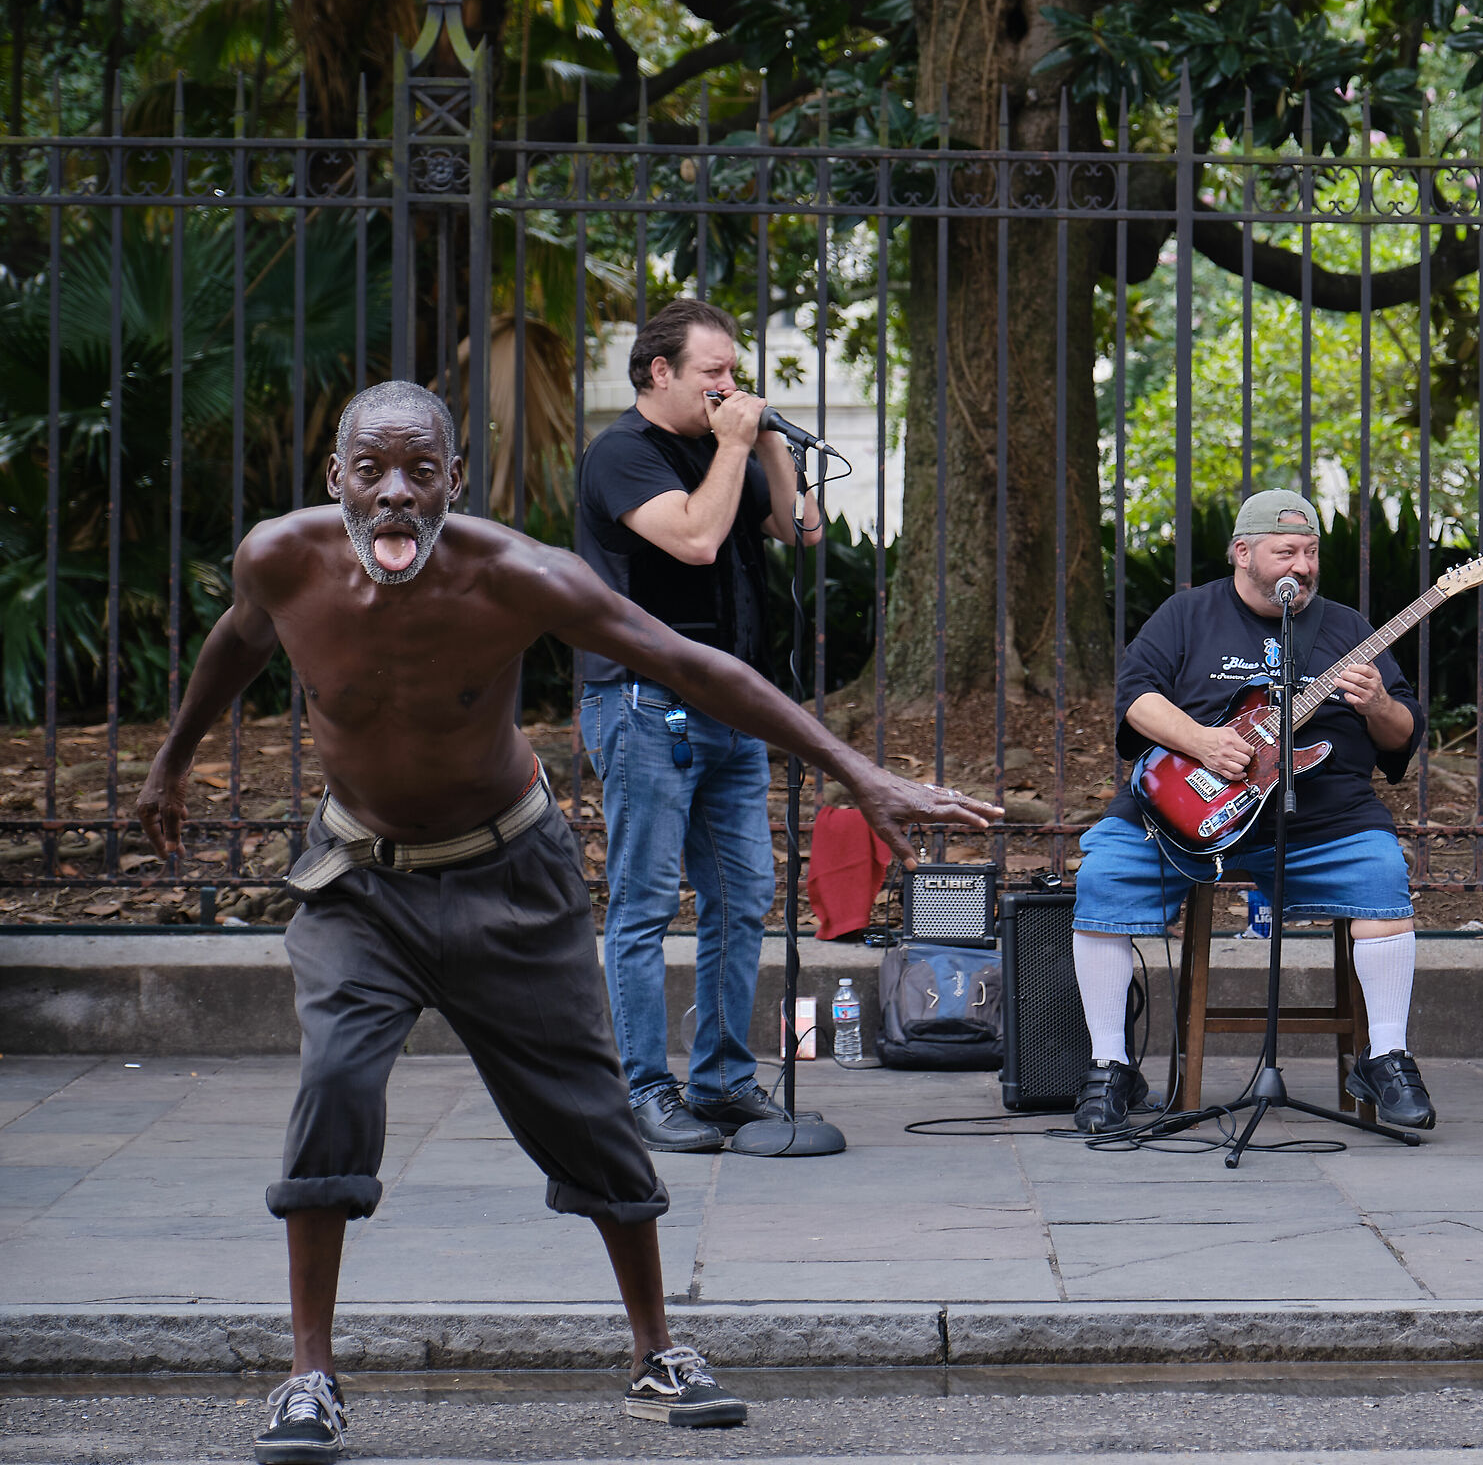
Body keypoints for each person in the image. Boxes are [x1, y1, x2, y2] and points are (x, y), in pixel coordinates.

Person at [135, 381, 997, 1465]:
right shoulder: (281, 559)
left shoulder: (518, 577)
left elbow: (692, 664)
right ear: (335, 479)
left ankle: (655, 1349)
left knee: (589, 1109)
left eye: (420, 472)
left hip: (511, 875)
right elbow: (235, 643)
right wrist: (170, 763)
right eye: (371, 471)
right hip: (362, 878)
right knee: (335, 1087)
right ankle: (310, 1374)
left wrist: (857, 770)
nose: (394, 495)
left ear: (457, 478)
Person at [1067, 488, 1434, 1133]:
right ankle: (1110, 1064)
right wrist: (1203, 741)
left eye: (1311, 552)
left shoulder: (1348, 630)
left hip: (1325, 820)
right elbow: (1136, 698)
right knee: (1103, 876)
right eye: (1285, 551)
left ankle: (1386, 1057)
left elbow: (1402, 735)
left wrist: (1377, 702)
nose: (1302, 565)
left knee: (1381, 875)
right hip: (1179, 811)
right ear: (1242, 553)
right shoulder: (1187, 615)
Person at [575, 298, 823, 1155]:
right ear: (660, 374)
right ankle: (644, 1089)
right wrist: (729, 448)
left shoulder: (730, 449)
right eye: (713, 372)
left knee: (743, 895)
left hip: (730, 709)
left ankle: (721, 1079)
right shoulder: (621, 456)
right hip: (643, 704)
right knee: (644, 902)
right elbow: (694, 541)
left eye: (732, 371)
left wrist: (770, 449)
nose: (730, 385)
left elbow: (801, 529)